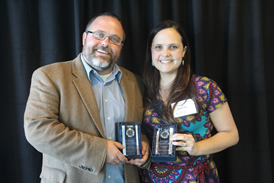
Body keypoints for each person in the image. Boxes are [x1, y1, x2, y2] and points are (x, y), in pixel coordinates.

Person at [24, 12, 149, 183]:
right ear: (84, 38)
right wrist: (101, 151)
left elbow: (139, 127)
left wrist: (143, 144)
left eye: (114, 39)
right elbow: (38, 130)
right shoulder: (49, 76)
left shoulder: (136, 82)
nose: (105, 43)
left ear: (121, 46)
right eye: (99, 35)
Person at [141, 20, 239, 182]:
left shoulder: (205, 87)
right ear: (151, 51)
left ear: (184, 51)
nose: (165, 53)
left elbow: (231, 135)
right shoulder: (141, 89)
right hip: (152, 177)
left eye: (173, 47)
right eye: (158, 47)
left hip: (195, 177)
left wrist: (198, 147)